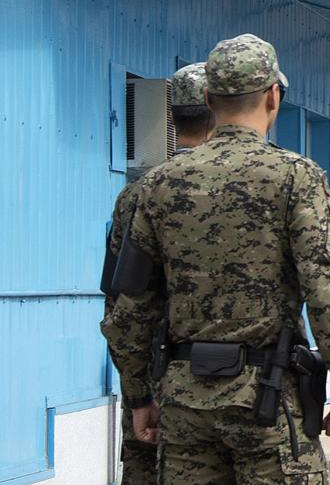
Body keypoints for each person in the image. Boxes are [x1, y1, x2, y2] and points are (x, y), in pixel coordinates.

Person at [102, 34, 330, 483]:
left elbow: (129, 306)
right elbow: (327, 294)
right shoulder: (295, 178)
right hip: (267, 398)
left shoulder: (158, 185)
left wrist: (139, 397)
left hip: (183, 403)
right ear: (273, 96)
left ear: (208, 97)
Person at [99, 62, 213, 484]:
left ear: (171, 116)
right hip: (228, 383)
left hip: (151, 377)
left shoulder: (135, 196)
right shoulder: (257, 182)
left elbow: (119, 307)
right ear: (216, 110)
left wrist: (137, 394)